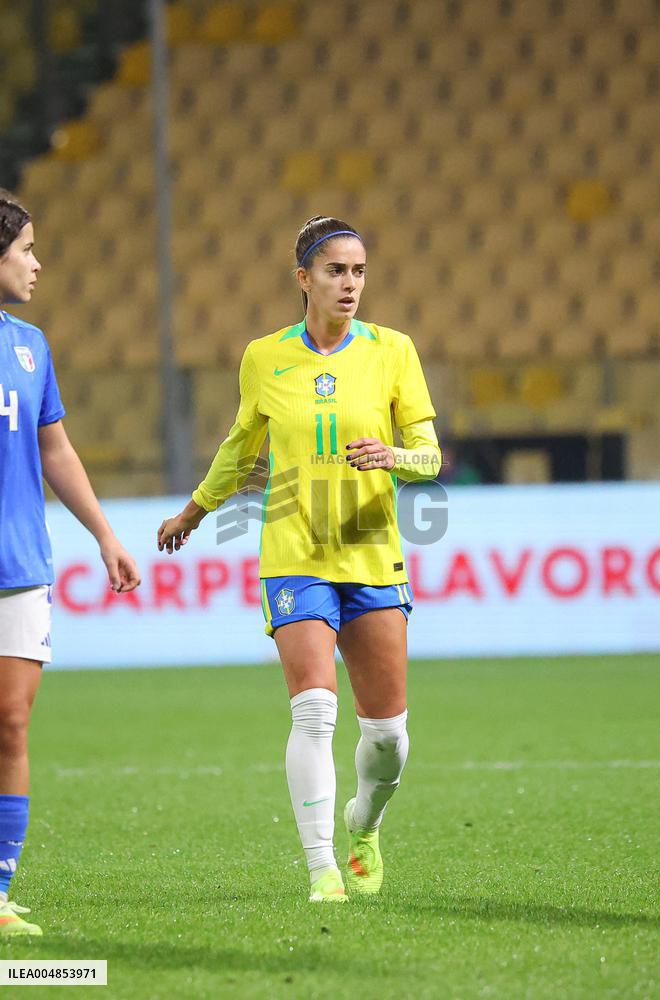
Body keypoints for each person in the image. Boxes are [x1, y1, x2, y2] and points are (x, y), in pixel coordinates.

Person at [157, 216, 441, 902]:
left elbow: (430, 458)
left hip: (371, 553)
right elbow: (240, 447)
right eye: (336, 270)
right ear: (304, 279)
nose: (350, 283)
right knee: (314, 710)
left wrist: (394, 456)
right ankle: (322, 870)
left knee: (388, 738)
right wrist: (195, 511)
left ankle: (364, 823)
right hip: (294, 554)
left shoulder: (394, 350)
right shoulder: (265, 357)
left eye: (359, 271)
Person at [0, 191, 141, 935]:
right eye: (25, 249)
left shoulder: (30, 346)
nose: (37, 263)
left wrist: (105, 535)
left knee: (10, 725)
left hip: (19, 565)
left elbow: (54, 449)